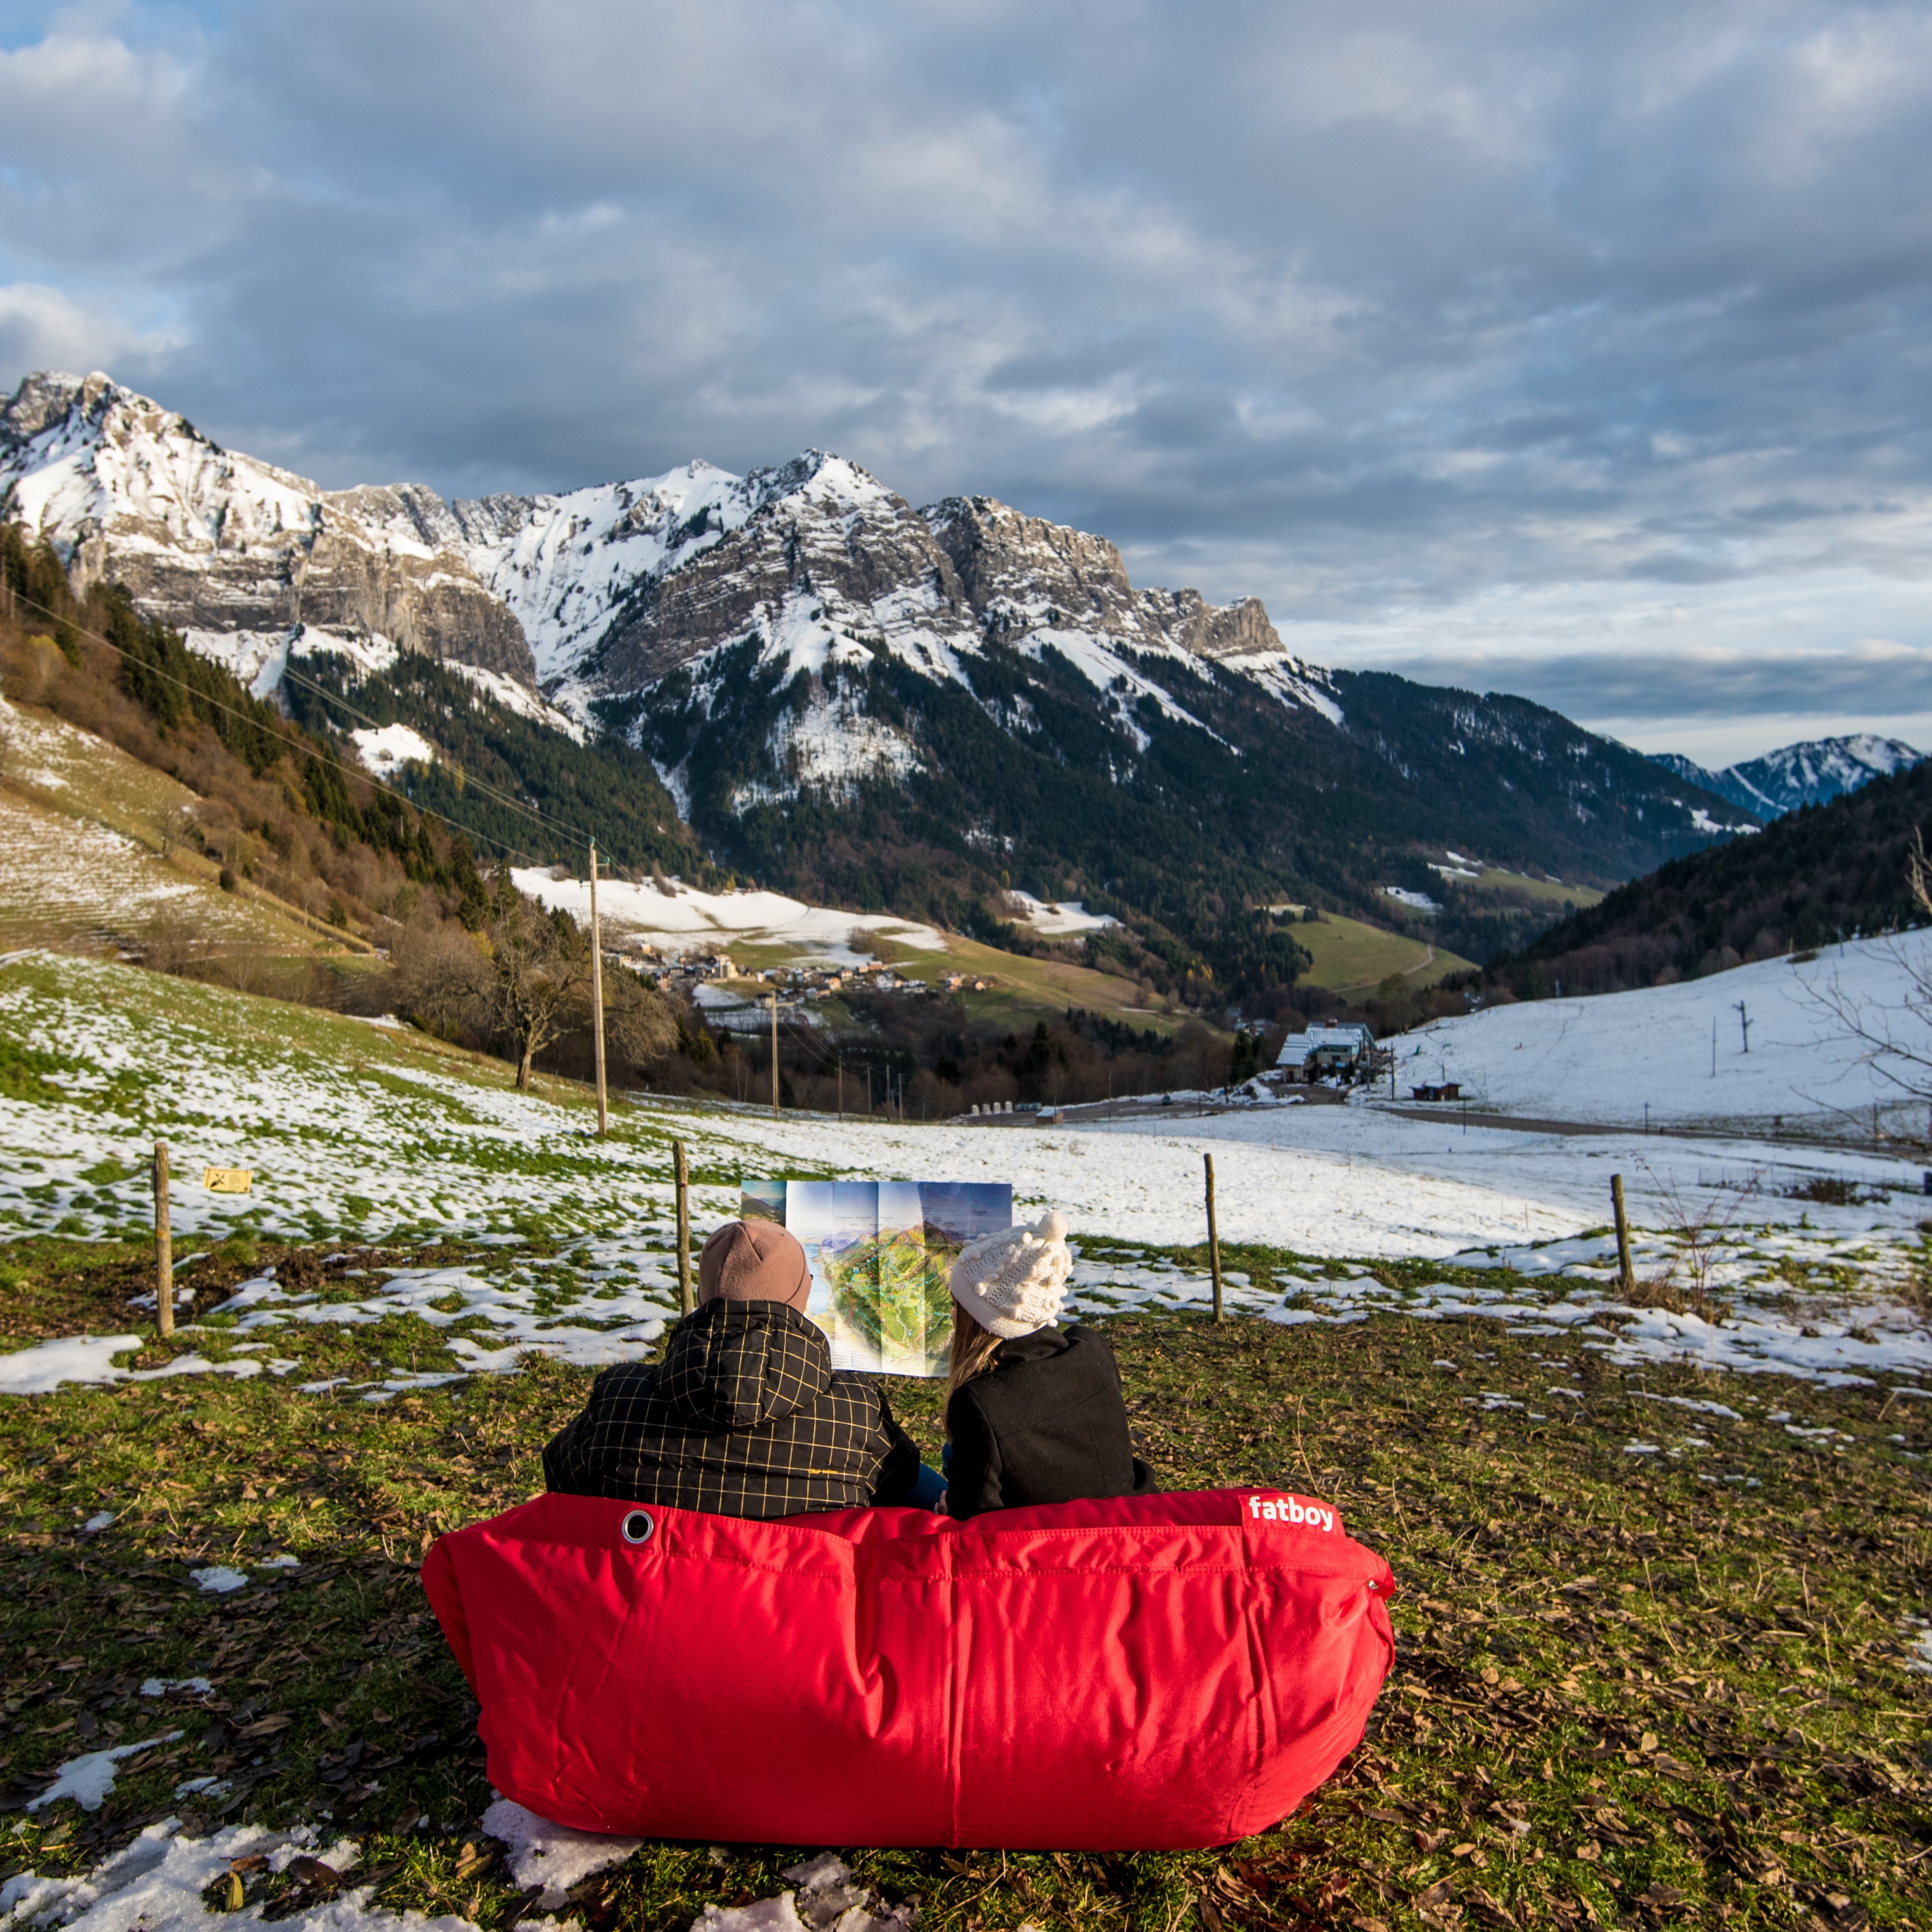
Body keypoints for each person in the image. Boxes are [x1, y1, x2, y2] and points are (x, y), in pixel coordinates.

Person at [542, 1218, 924, 1517]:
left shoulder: (619, 1399)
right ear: (800, 1301)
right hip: (799, 1613)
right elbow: (903, 1482)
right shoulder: (856, 1411)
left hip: (650, 1608)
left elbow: (560, 1477)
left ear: (704, 1294)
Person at [940, 1209, 1159, 1522]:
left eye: (956, 1305)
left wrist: (951, 1512)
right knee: (955, 1455)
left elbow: (976, 1527)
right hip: (1127, 1517)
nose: (951, 1314)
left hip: (1056, 1553)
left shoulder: (979, 1403)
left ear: (976, 1321)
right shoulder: (1090, 1348)